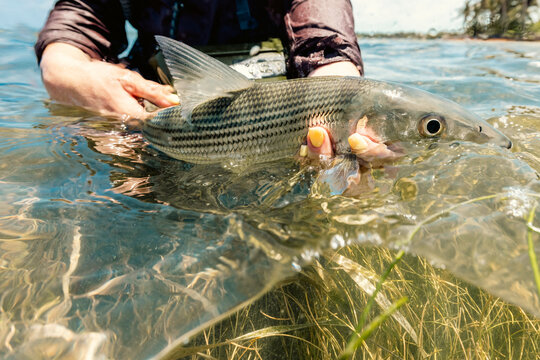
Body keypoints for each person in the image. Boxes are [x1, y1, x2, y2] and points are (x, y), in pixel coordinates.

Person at [36, 0, 391, 159]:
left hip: (272, 119)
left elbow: (326, 36)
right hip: (147, 116)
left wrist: (342, 98)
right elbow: (71, 34)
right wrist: (70, 72)